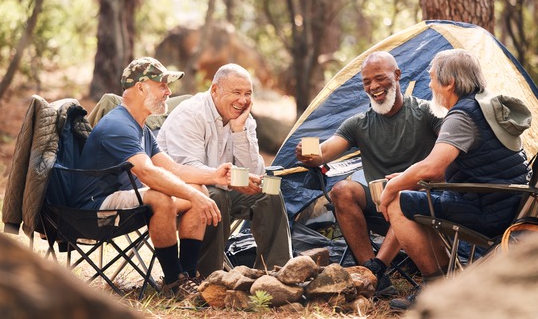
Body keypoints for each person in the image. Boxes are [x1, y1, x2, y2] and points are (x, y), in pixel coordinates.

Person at [379, 49, 532, 310]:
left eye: (431, 78)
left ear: (449, 82)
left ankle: (436, 292)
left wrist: (392, 187)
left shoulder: (462, 115)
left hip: (487, 211)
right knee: (414, 196)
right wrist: (408, 177)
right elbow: (454, 165)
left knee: (397, 202)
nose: (429, 84)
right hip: (505, 202)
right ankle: (453, 282)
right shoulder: (485, 105)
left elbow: (432, 166)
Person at [73, 57, 231, 297]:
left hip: (124, 202)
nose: (169, 92)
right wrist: (191, 194)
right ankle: (173, 281)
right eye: (162, 85)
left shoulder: (142, 128)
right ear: (141, 87)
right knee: (161, 198)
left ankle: (187, 277)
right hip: (96, 209)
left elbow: (174, 169)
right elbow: (147, 172)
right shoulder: (118, 125)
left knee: (198, 189)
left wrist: (214, 176)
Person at [296, 51, 442, 297]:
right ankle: (369, 269)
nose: (373, 87)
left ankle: (378, 268)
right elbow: (325, 151)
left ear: (397, 75)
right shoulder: (358, 124)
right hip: (379, 206)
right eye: (366, 82)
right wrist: (309, 155)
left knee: (400, 193)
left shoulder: (426, 112)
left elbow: (448, 156)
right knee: (341, 190)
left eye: (380, 78)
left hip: (422, 207)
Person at [157, 64, 292, 276]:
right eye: (236, 92)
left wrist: (239, 131)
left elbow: (255, 170)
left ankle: (276, 273)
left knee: (268, 192)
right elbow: (186, 168)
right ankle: (209, 276)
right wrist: (230, 180)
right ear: (214, 90)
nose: (243, 100)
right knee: (215, 196)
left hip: (222, 187)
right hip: (183, 192)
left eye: (248, 93)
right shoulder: (191, 115)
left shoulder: (245, 120)